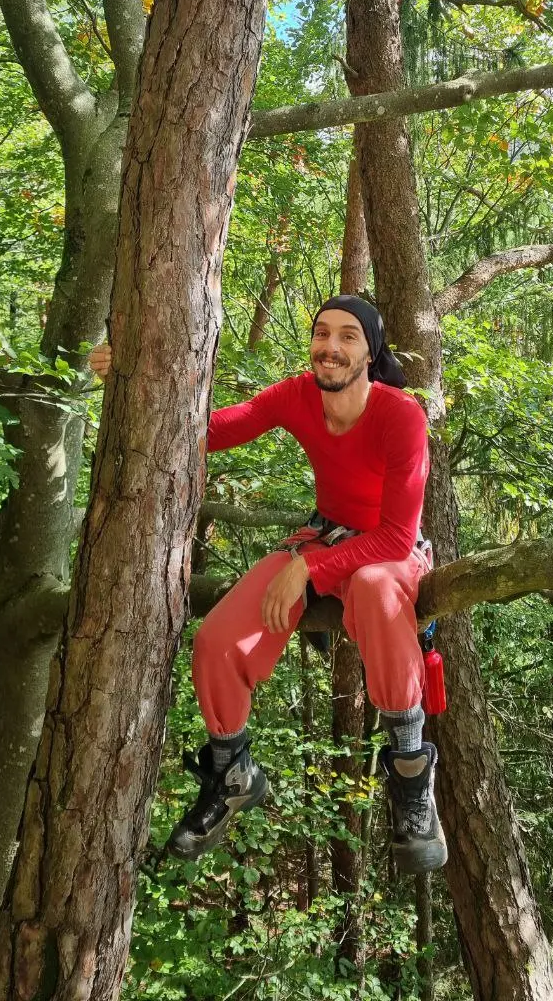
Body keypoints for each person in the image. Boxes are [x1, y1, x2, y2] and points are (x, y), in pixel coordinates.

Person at [89, 294, 447, 875]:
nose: (331, 346)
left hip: (388, 553)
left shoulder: (400, 415)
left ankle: (410, 775)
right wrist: (128, 380)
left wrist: (307, 570)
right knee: (216, 642)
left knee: (375, 588)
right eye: (322, 332)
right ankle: (232, 770)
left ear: (370, 351)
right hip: (323, 537)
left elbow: (397, 537)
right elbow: (208, 431)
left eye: (349, 336)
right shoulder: (297, 395)